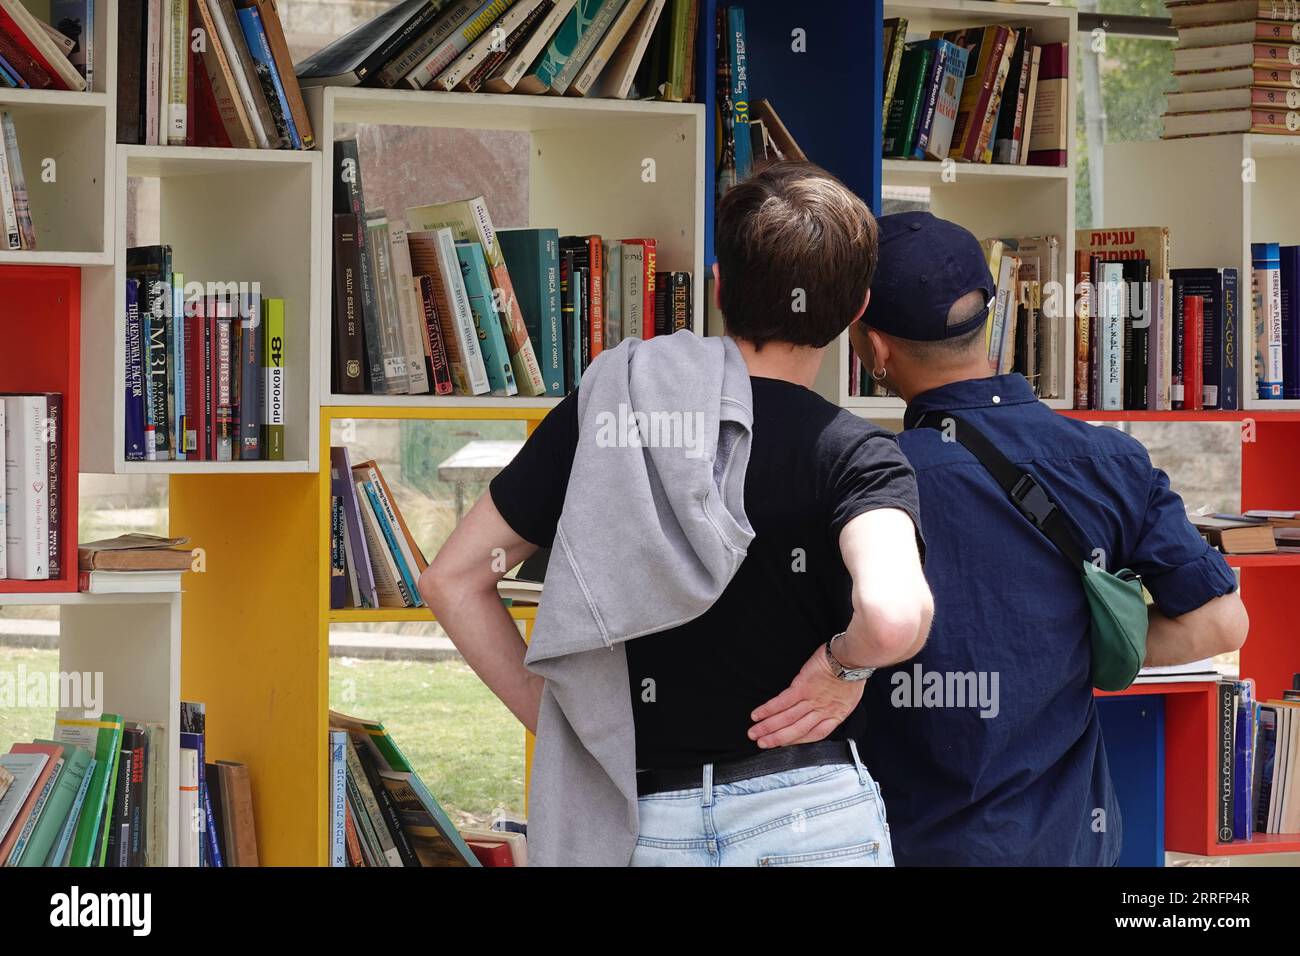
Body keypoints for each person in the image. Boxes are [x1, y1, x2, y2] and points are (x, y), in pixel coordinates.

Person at [419, 161, 933, 867]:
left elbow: (451, 581)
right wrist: (841, 670)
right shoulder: (857, 456)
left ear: (719, 287)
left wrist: (576, 726)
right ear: (855, 310)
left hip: (641, 822)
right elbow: (895, 617)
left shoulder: (615, 409)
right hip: (810, 815)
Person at [840, 211, 1249, 865]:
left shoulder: (869, 481)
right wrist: (1062, 652)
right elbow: (1222, 624)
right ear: (991, 320)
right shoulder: (1111, 460)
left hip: (915, 842)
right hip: (1070, 841)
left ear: (876, 347)